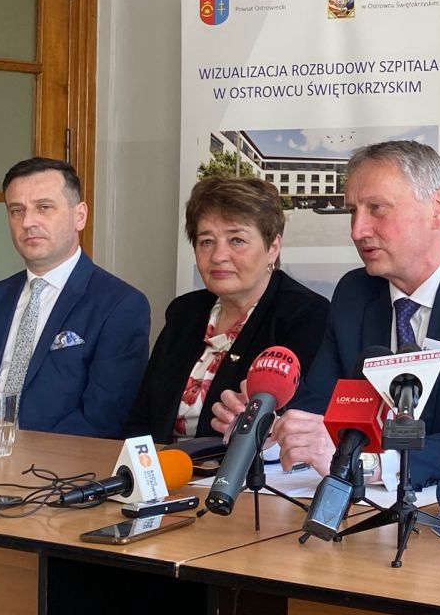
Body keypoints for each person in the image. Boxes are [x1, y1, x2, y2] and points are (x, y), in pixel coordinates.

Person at [213, 140, 440, 489]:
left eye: (377, 209)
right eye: (352, 211)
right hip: (364, 506)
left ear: (437, 208)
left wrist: (369, 465)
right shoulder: (355, 293)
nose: (357, 231)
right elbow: (317, 408)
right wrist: (268, 430)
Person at [0, 157, 149, 438]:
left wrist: (20, 455)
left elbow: (101, 419)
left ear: (80, 216)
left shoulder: (120, 305)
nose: (28, 222)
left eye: (44, 207)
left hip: (59, 461)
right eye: (17, 210)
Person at [124, 177, 329, 442]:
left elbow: (289, 428)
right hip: (161, 463)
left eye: (237, 240)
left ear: (272, 248)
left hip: (235, 466)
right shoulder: (184, 312)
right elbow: (141, 418)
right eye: (206, 241)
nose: (219, 256)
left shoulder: (304, 316)